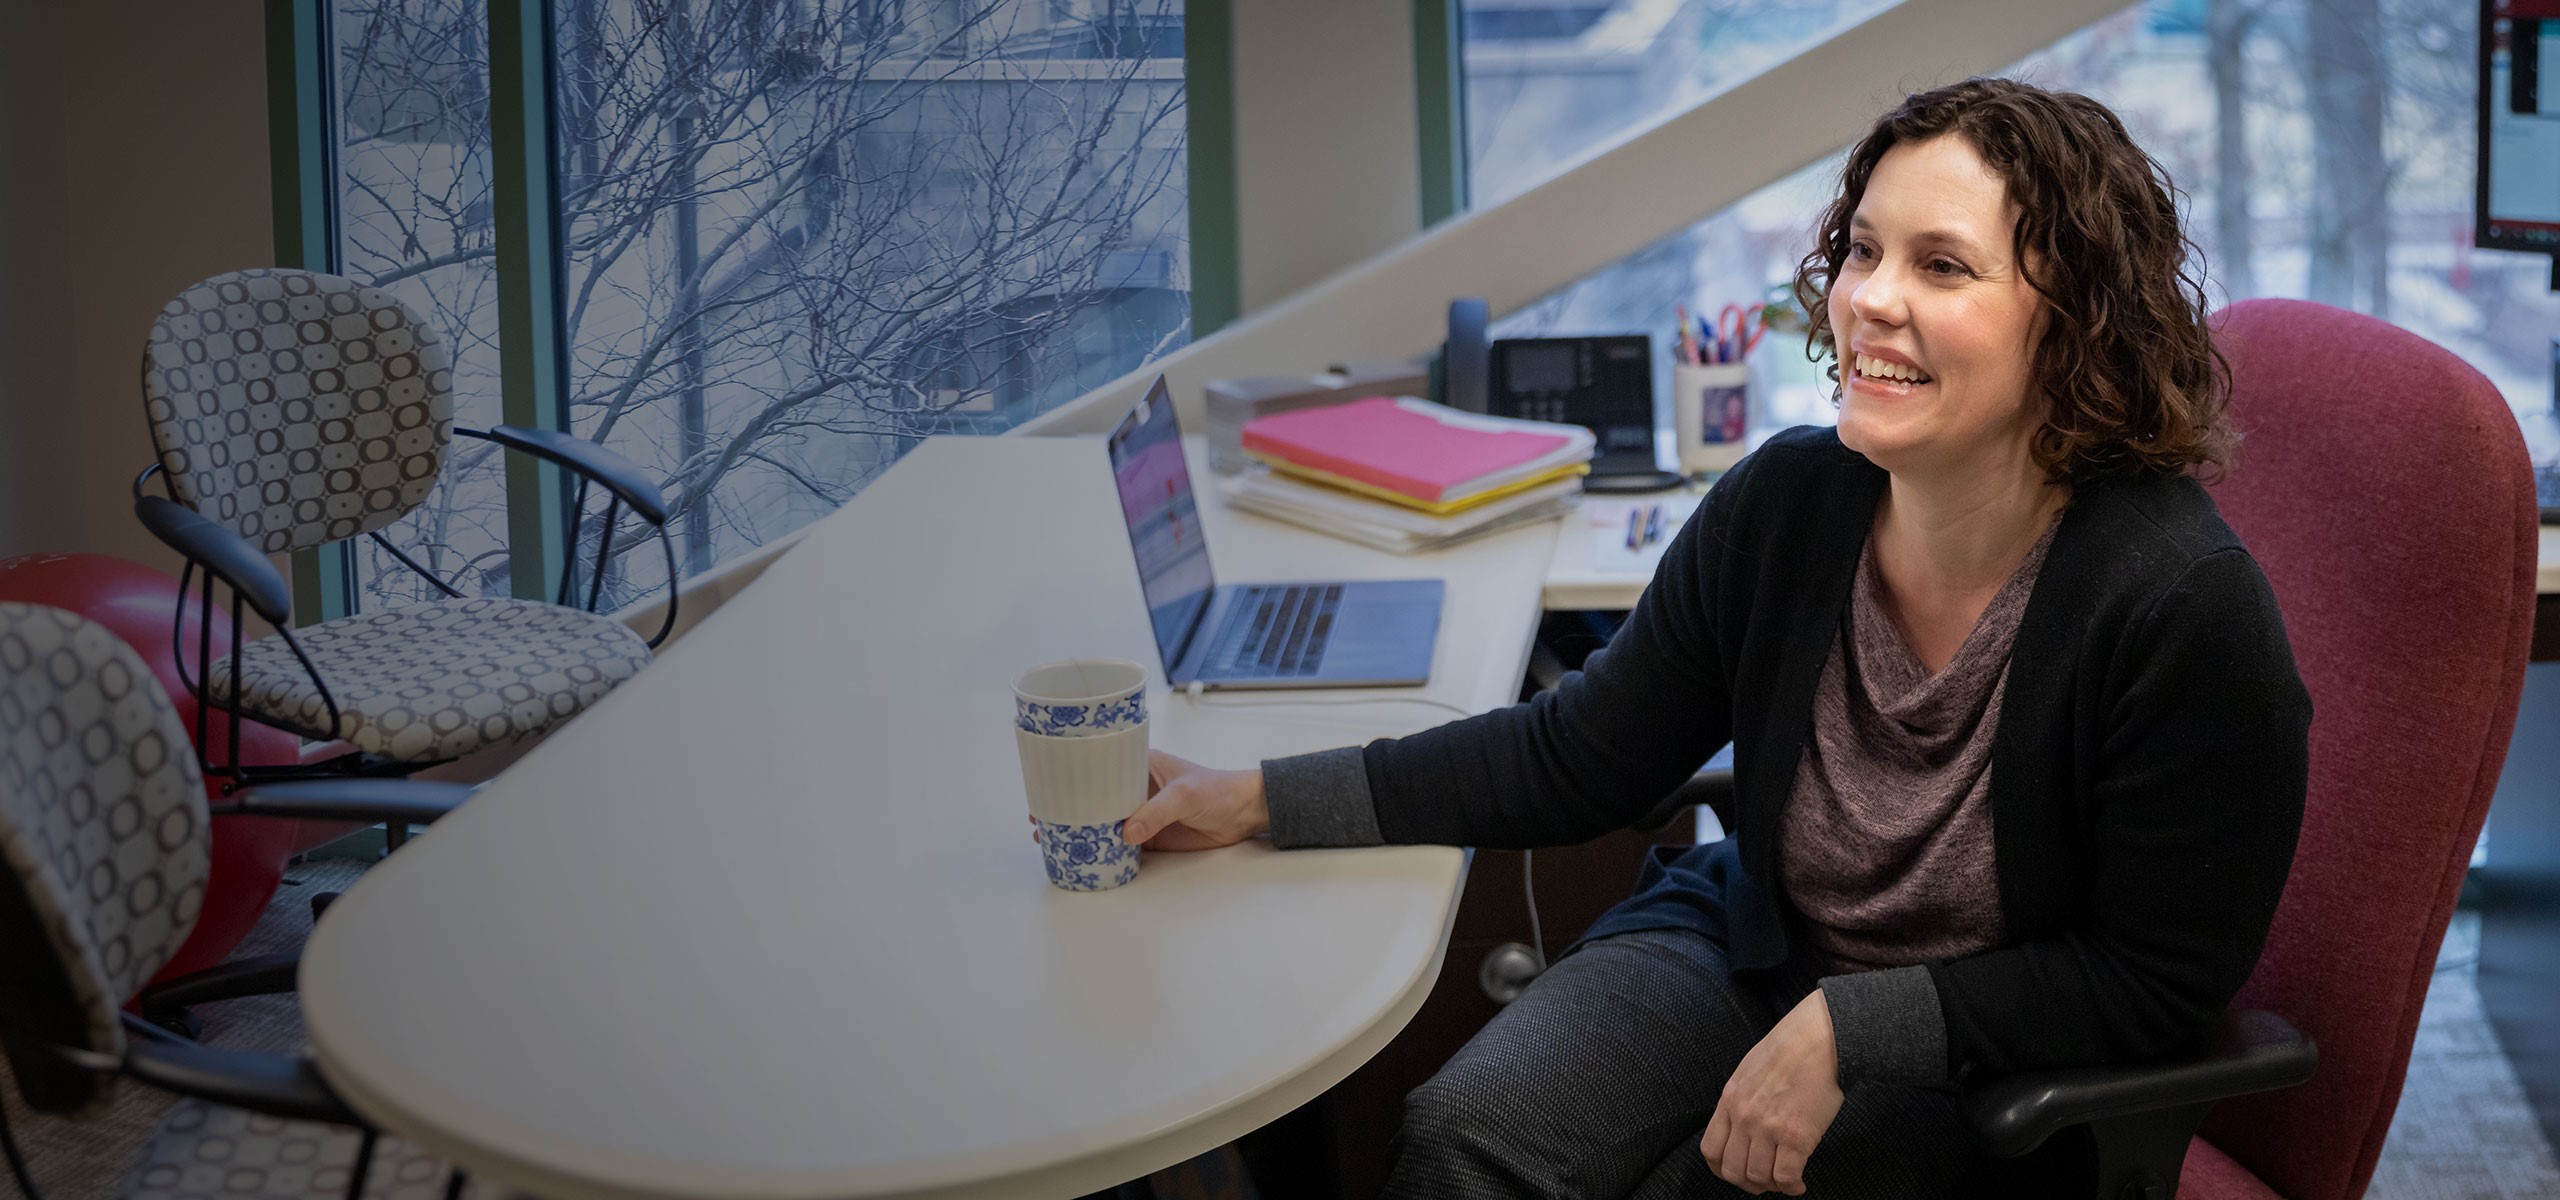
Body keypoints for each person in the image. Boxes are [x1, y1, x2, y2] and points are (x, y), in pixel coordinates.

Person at [1113, 77, 2311, 1197]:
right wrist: (1260, 798)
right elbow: (1576, 754)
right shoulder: (1791, 503)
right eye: (1862, 248)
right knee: (1461, 1138)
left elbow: (2157, 982)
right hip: (1759, 946)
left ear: (2081, 325)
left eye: (1943, 266)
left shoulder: (2177, 607)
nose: (1868, 297)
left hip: (1991, 1059)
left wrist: (1861, 1024)